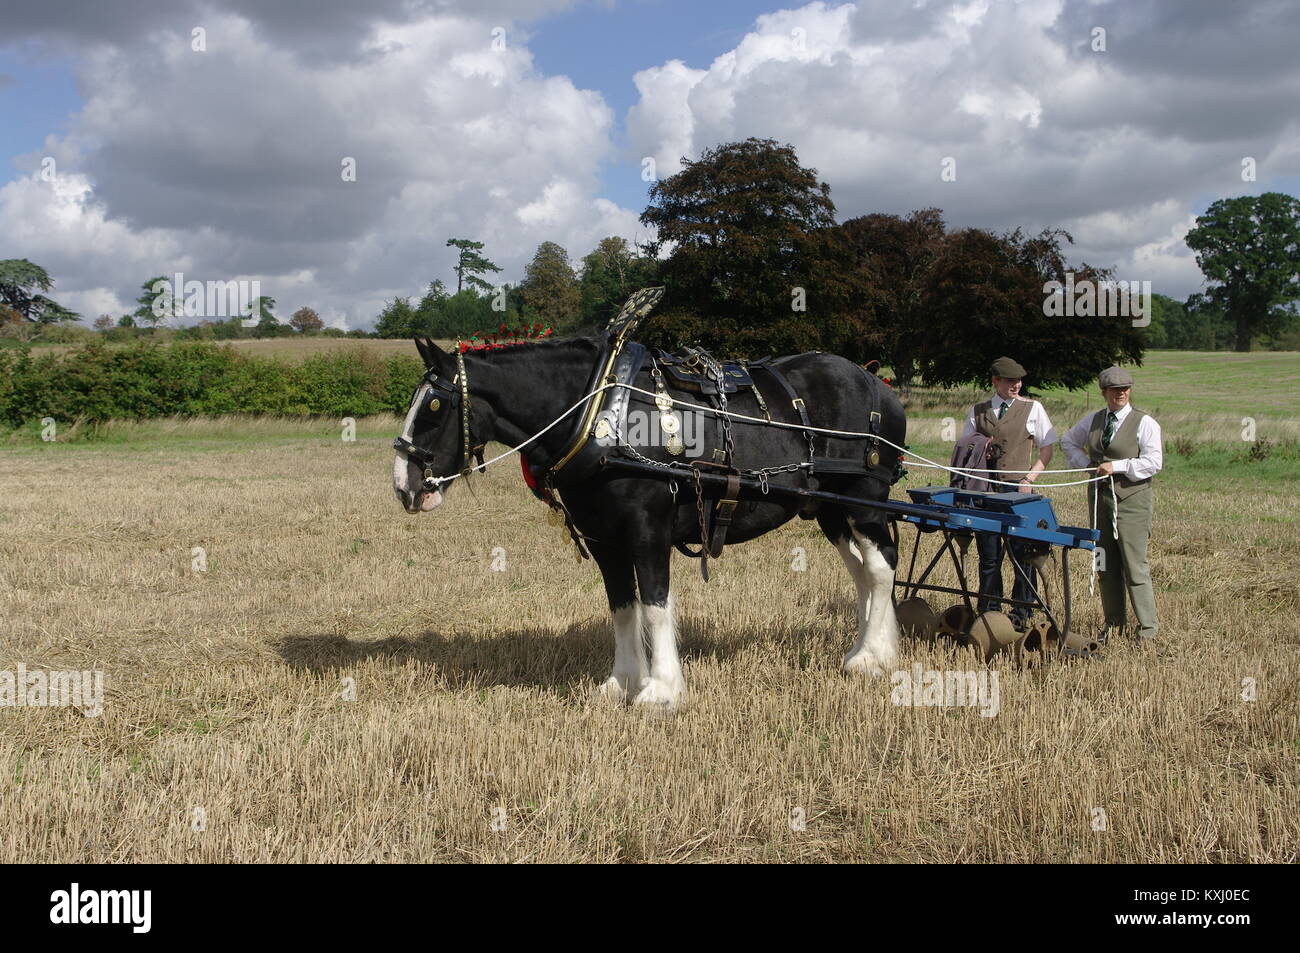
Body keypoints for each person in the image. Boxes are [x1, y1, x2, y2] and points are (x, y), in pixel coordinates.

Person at [1060, 366, 1163, 642]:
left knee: (1134, 566)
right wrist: (1087, 465)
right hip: (1099, 501)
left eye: (1125, 389)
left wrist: (1115, 466)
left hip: (1131, 502)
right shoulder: (1094, 421)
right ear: (1104, 392)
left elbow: (1154, 462)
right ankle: (1114, 625)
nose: (1121, 393)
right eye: (1115, 389)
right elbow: (1068, 441)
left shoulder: (1145, 423)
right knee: (1104, 563)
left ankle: (1148, 631)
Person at [960, 356, 1057, 629]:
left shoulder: (1033, 408)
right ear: (995, 382)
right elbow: (965, 447)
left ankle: (1022, 612)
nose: (1016, 385)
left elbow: (1047, 448)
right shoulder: (978, 411)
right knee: (989, 555)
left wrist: (1029, 477)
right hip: (986, 491)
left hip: (1018, 491)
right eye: (1009, 380)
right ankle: (990, 611)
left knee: (1021, 555)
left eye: (1018, 380)